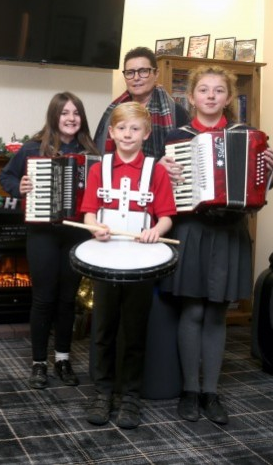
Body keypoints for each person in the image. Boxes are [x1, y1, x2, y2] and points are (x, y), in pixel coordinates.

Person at [161, 65, 273, 425]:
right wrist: (164, 171)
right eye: (203, 90)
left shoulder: (247, 136)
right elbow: (161, 192)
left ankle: (210, 392)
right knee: (192, 310)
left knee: (216, 312)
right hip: (192, 229)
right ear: (191, 96)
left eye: (218, 91)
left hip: (230, 230)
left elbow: (264, 185)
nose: (210, 96)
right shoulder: (176, 137)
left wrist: (268, 169)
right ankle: (189, 391)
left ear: (228, 99)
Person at [80, 102, 176, 429]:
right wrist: (94, 226)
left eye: (135, 129)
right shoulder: (99, 169)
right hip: (106, 260)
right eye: (122, 128)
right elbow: (89, 212)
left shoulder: (156, 170)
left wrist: (155, 231)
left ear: (146, 133)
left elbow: (165, 217)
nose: (127, 134)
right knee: (104, 329)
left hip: (140, 262)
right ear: (111, 132)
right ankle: (103, 392)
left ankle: (131, 397)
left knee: (135, 330)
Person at [0, 92, 100, 389]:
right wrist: (20, 185)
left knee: (68, 299)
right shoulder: (33, 148)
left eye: (76, 113)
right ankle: (39, 363)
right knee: (43, 298)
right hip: (42, 232)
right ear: (54, 116)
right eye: (64, 113)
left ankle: (64, 359)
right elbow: (5, 178)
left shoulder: (91, 152)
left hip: (76, 233)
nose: (71, 118)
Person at [94, 47, 189, 166]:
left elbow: (185, 160)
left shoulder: (177, 113)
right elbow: (96, 154)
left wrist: (157, 169)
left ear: (156, 74)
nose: (136, 78)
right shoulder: (113, 112)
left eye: (143, 71)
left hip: (163, 182)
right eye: (130, 72)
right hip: (116, 180)